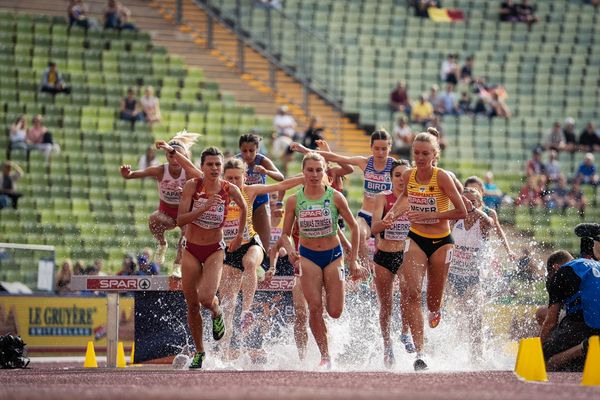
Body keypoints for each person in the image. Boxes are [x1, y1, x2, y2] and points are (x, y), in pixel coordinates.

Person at [384, 127, 467, 371]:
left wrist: (432, 215)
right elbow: (405, 197)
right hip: (416, 237)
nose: (420, 158)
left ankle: (435, 309)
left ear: (434, 155)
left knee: (432, 301)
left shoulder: (442, 177)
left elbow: (461, 211)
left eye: (425, 154)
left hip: (442, 240)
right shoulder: (409, 175)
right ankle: (420, 353)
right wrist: (393, 213)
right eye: (417, 153)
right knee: (411, 292)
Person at [280, 152, 367, 369]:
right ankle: (325, 356)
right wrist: (291, 250)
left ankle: (329, 342)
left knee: (335, 311)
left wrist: (353, 260)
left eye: (319, 170)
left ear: (325, 172)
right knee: (314, 307)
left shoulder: (335, 197)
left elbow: (355, 227)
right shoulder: (294, 200)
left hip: (333, 256)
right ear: (303, 172)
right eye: (310, 170)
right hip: (308, 256)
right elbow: (285, 233)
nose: (314, 174)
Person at [218, 158, 304, 359]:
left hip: (251, 243)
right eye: (229, 178)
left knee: (249, 263)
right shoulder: (218, 193)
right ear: (223, 177)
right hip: (229, 249)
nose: (233, 182)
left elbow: (281, 184)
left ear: (244, 177)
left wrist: (304, 178)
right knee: (227, 306)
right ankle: (223, 354)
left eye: (237, 178)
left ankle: (246, 311)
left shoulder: (249, 191)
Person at [176, 146, 248, 369]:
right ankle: (199, 352)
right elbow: (180, 220)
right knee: (192, 304)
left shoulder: (228, 188)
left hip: (215, 250)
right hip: (191, 249)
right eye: (210, 164)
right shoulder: (192, 186)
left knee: (206, 299)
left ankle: (217, 312)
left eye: (218, 164)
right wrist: (204, 207)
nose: (215, 168)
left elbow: (244, 207)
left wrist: (238, 236)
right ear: (202, 167)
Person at [290, 130, 396, 275]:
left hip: (385, 216)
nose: (380, 152)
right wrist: (305, 150)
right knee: (360, 236)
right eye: (377, 148)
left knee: (381, 247)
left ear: (390, 148)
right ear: (371, 148)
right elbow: (336, 157)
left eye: (384, 149)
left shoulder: (394, 166)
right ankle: (364, 272)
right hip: (366, 213)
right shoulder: (365, 162)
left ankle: (379, 271)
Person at [121, 132, 200, 276]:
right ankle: (162, 244)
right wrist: (128, 174)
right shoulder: (160, 170)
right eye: (171, 156)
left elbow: (203, 182)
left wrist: (186, 192)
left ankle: (177, 266)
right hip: (167, 213)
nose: (175, 160)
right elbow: (136, 174)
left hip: (184, 213)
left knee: (186, 232)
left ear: (184, 158)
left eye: (178, 157)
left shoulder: (188, 172)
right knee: (152, 220)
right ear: (166, 156)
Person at [370, 159, 416, 368]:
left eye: (405, 176)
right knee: (386, 305)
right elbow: (373, 228)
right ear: (391, 178)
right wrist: (385, 222)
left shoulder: (415, 199)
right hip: (384, 256)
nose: (401, 180)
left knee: (408, 292)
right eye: (397, 175)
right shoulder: (382, 198)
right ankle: (387, 345)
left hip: (405, 255)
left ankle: (405, 333)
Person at [541, 223, 600, 371]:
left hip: (588, 324)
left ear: (555, 267)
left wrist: (537, 350)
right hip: (591, 322)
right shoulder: (594, 265)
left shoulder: (560, 274)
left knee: (547, 361)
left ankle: (584, 347)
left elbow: (550, 323)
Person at [446, 188, 494, 364]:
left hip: (473, 278)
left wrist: (473, 209)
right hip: (451, 277)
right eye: (464, 201)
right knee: (455, 319)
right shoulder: (454, 220)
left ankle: (476, 357)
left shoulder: (481, 223)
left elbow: (490, 223)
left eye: (472, 202)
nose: (467, 205)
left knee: (475, 318)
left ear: (479, 204)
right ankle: (451, 354)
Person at [237, 133, 285, 259]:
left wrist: (266, 171)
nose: (247, 155)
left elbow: (281, 177)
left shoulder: (262, 160)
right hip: (241, 203)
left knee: (265, 242)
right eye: (244, 151)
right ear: (240, 150)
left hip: (260, 203)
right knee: (241, 240)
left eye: (251, 151)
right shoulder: (236, 162)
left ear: (257, 149)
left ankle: (264, 272)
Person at [465, 176, 517, 259]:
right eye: (469, 190)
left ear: (482, 192)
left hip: (481, 254)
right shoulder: (459, 211)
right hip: (461, 252)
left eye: (476, 190)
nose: (472, 193)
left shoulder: (489, 213)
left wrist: (509, 250)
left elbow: (499, 231)